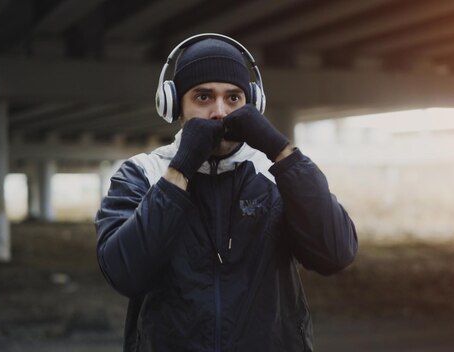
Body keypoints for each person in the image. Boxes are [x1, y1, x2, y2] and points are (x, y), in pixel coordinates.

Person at [95, 33, 358, 352]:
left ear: (253, 104)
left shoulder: (276, 175)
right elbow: (125, 273)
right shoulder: (141, 174)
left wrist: (280, 152)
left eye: (233, 98)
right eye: (203, 97)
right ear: (173, 104)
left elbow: (336, 252)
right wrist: (180, 170)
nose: (220, 112)